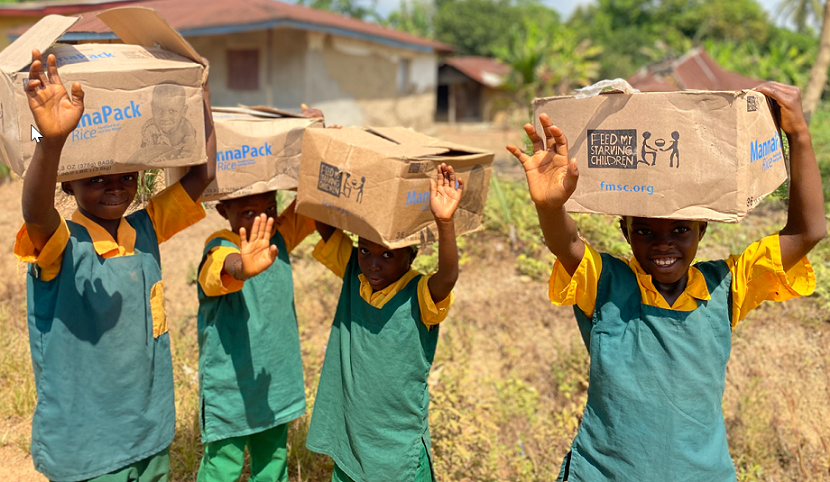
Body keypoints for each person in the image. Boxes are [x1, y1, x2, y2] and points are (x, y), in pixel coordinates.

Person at [506, 82, 825, 481]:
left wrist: (799, 134)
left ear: (702, 231)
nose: (663, 245)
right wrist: (550, 206)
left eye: (679, 230)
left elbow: (807, 232)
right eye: (644, 232)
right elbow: (566, 242)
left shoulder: (727, 287)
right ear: (624, 231)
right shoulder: (606, 284)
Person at [15, 49, 216, 482]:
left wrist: (198, 91)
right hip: (88, 446)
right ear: (68, 182)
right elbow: (35, 212)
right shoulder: (61, 244)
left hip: (149, 432)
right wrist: (51, 141)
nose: (115, 188)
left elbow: (202, 175)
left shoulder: (145, 228)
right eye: (96, 179)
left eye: (126, 177)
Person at [306, 164, 463, 482]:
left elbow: (447, 277)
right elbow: (326, 227)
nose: (374, 265)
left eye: (388, 256)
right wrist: (329, 160)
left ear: (412, 257)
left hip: (396, 444)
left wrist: (444, 222)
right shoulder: (355, 272)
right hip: (351, 438)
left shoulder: (419, 293)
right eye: (365, 251)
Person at [195, 192, 316, 482]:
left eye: (271, 208)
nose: (263, 219)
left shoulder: (280, 236)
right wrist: (243, 268)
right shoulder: (220, 247)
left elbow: (312, 200)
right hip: (231, 385)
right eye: (249, 212)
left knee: (273, 460)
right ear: (224, 210)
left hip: (274, 380)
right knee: (223, 464)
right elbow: (223, 268)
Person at [141, 82, 197, 160]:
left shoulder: (186, 127)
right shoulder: (150, 129)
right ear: (152, 108)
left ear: (183, 111)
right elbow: (143, 155)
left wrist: (186, 153)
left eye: (172, 111)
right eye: (158, 110)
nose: (165, 117)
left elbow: (192, 151)